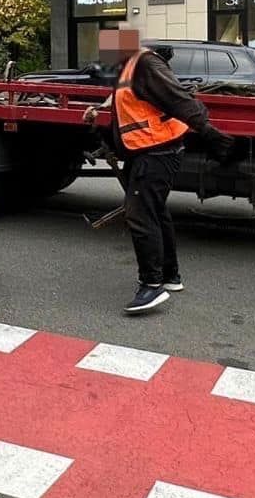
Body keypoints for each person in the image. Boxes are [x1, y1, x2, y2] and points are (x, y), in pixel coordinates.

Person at [83, 27, 233, 315]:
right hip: (150, 150)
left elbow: (179, 99)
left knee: (139, 214)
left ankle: (151, 286)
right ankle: (169, 275)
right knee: (155, 211)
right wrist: (97, 111)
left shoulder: (145, 64)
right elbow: (131, 105)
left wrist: (210, 133)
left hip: (157, 151)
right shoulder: (129, 69)